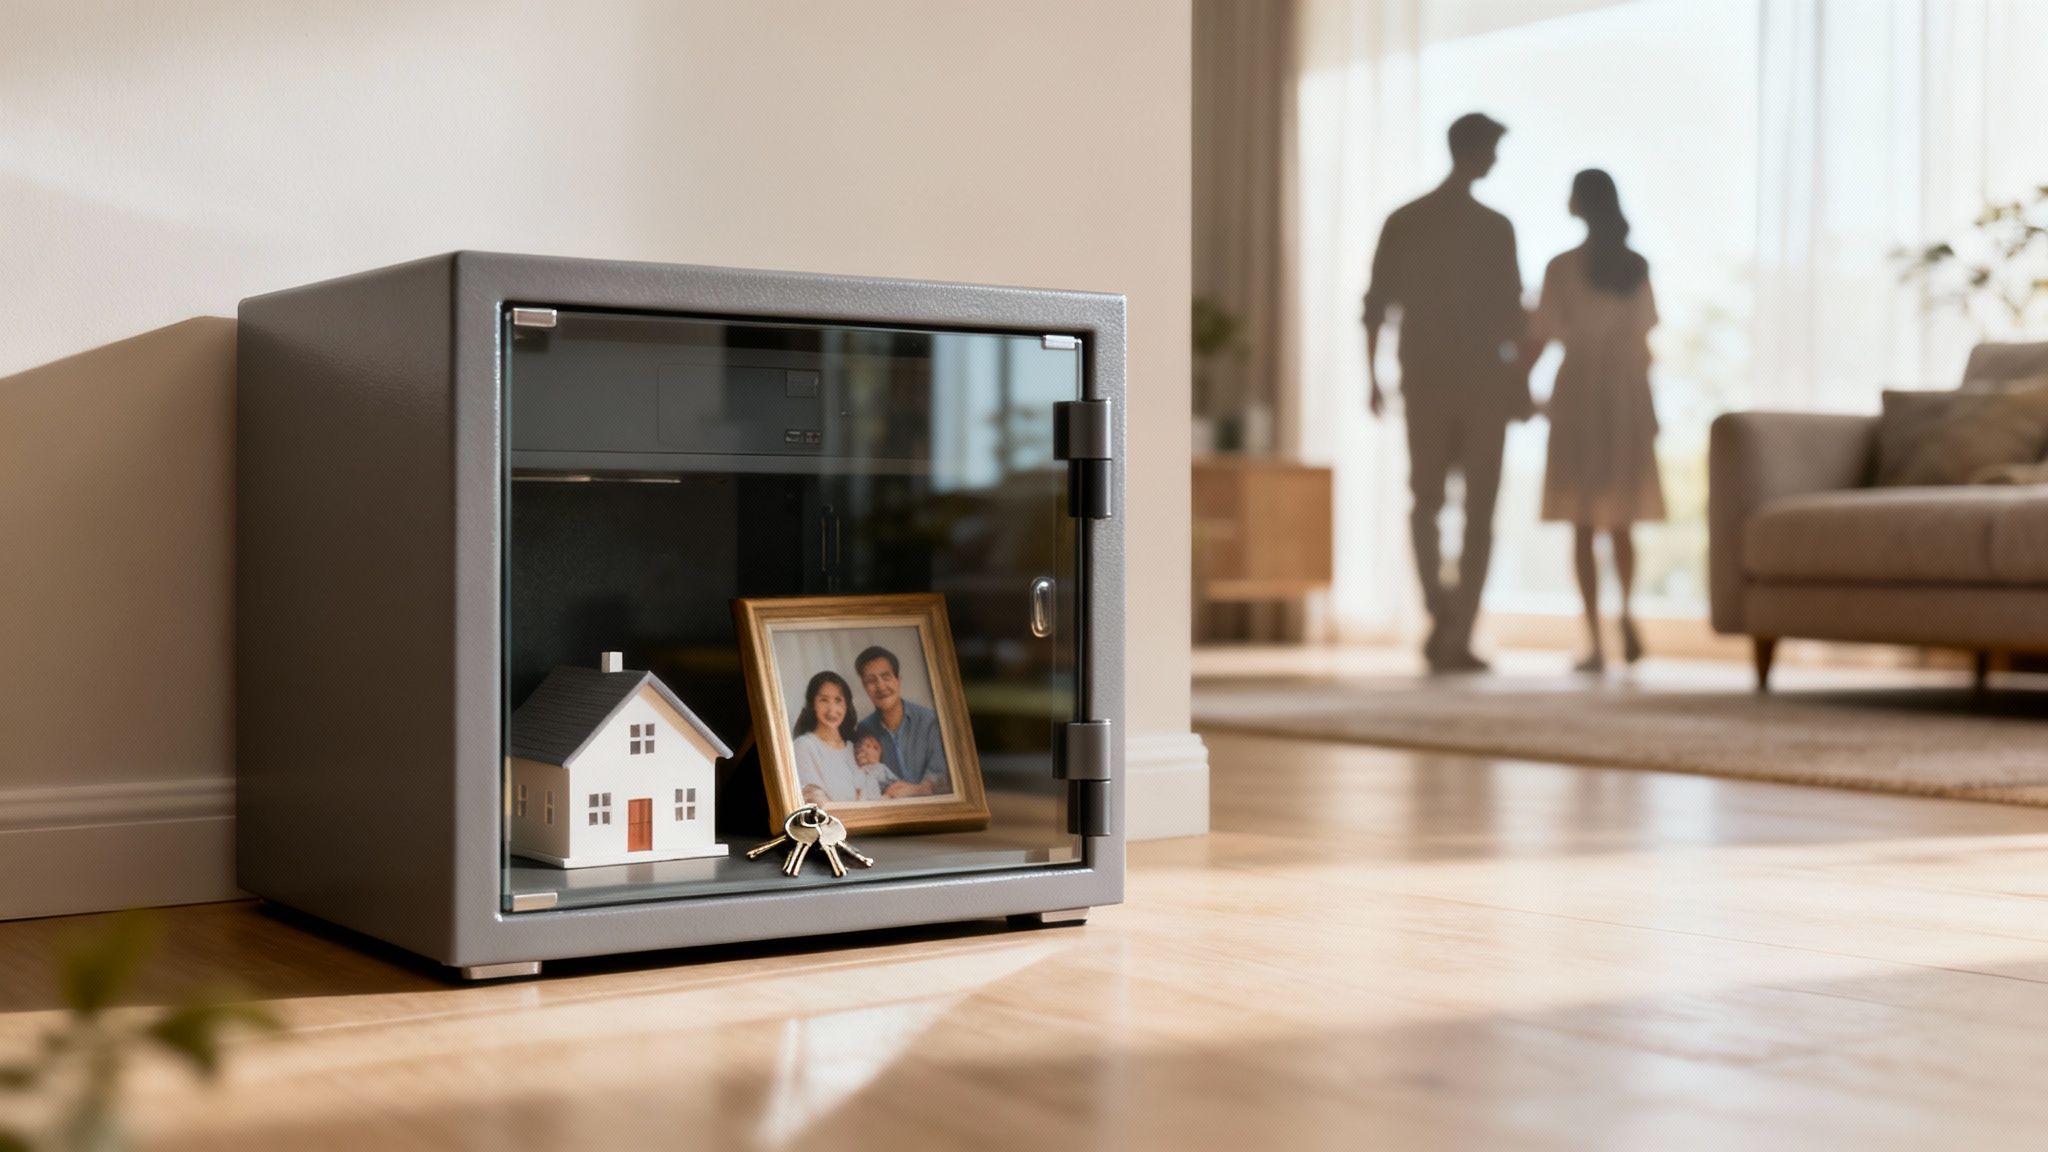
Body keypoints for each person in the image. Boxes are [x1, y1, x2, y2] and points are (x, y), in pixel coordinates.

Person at [1363, 112, 1534, 673]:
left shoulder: (1414, 221)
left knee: (1436, 502)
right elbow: (1512, 317)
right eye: (1493, 150)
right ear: (1476, 150)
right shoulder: (1482, 226)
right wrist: (1372, 375)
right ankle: (1450, 622)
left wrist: (1374, 376)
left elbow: (1377, 307)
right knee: (1462, 505)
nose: (1497, 161)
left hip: (1443, 380)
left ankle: (1450, 622)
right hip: (1456, 382)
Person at [1525, 169, 1664, 672]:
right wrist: (1649, 412)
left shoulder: (1561, 266)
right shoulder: (1635, 266)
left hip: (1581, 391)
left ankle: (1595, 639)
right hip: (1626, 394)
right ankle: (1625, 611)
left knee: (1583, 521)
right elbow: (1645, 342)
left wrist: (1518, 385)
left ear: (1582, 203)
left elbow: (1540, 335)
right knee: (1620, 518)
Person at [853, 645, 948, 794]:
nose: (880, 686)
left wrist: (916, 790)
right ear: (865, 687)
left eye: (886, 677)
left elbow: (943, 776)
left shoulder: (931, 721)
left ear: (898, 680)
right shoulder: (863, 730)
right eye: (871, 681)